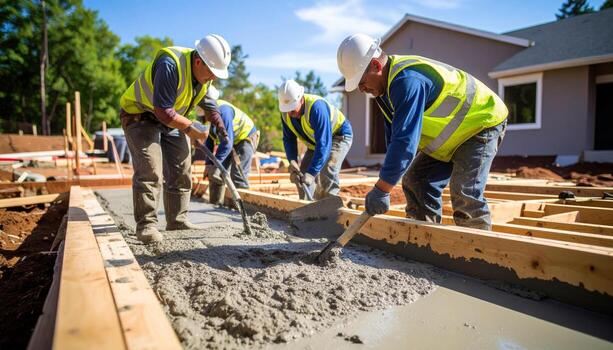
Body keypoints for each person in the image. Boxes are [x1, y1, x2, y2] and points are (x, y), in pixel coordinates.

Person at [336, 33, 508, 230]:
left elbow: (405, 141)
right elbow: (394, 140)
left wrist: (382, 189)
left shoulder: (407, 80)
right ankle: (424, 244)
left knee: (465, 192)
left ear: (376, 65)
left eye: (361, 81)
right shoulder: (385, 91)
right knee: (416, 181)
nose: (361, 89)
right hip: (453, 138)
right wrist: (386, 179)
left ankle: (478, 256)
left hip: (480, 123)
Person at [119, 34, 231, 243]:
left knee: (182, 166)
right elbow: (163, 111)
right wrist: (190, 128)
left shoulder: (203, 76)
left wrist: (219, 123)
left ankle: (177, 220)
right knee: (150, 169)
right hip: (140, 114)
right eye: (212, 72)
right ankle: (147, 225)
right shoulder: (170, 64)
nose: (214, 77)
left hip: (170, 119)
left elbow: (207, 101)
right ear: (199, 61)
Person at [278, 80, 353, 199]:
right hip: (315, 142)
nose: (290, 113)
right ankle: (307, 208)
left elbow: (324, 145)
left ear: (301, 99)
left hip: (338, 136)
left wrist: (312, 173)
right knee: (302, 172)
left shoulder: (316, 108)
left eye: (292, 109)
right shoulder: (285, 114)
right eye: (287, 110)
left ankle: (331, 208)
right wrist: (292, 161)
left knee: (327, 168)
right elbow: (289, 139)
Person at [202, 85, 259, 203]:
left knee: (237, 174)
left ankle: (241, 208)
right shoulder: (211, 115)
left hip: (246, 137)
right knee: (216, 173)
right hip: (231, 141)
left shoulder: (223, 111)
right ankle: (216, 203)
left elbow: (227, 143)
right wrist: (209, 164)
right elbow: (210, 141)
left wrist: (216, 164)